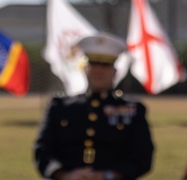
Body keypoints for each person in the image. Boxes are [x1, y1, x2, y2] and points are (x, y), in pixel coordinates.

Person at [34, 32, 154, 180]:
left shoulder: (133, 109)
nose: (98, 70)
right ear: (84, 68)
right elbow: (43, 151)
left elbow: (142, 157)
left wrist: (107, 176)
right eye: (93, 63)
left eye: (105, 65)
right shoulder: (60, 107)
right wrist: (64, 175)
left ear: (115, 71)